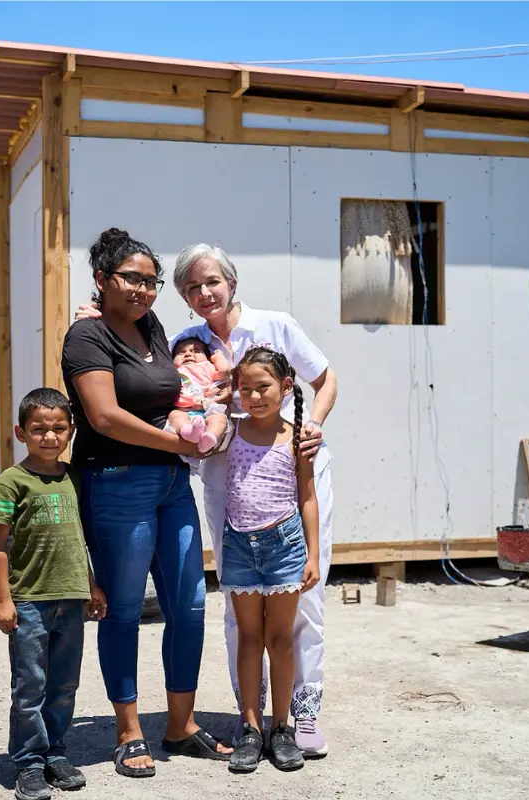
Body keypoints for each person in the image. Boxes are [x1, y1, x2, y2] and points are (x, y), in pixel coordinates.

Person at [78, 242, 338, 756]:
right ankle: (253, 717)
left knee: (302, 600)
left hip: (293, 472)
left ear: (232, 282)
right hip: (229, 483)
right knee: (236, 605)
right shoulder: (182, 342)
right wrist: (95, 315)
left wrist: (313, 424)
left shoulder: (275, 325)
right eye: (191, 287)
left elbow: (326, 379)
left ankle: (301, 714)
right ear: (181, 296)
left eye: (212, 282)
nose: (204, 293)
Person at [61, 227, 233, 779]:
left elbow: (176, 381)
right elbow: (104, 416)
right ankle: (129, 730)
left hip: (169, 484)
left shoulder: (151, 326)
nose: (142, 290)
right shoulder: (85, 339)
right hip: (115, 482)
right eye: (131, 278)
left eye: (151, 281)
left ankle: (179, 726)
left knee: (190, 605)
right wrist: (178, 442)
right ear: (102, 280)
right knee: (127, 608)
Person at [0, 388, 107, 800]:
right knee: (30, 685)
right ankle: (28, 763)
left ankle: (55, 753)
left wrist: (90, 585)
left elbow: (78, 539)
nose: (50, 437)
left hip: (71, 601)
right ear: (22, 433)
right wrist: (4, 599)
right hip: (29, 602)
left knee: (64, 684)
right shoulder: (11, 482)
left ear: (71, 430)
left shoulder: (73, 477)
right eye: (39, 429)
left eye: (59, 428)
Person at [220, 347, 321, 773]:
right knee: (247, 637)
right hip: (238, 546)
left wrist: (313, 554)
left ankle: (281, 729)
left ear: (284, 388)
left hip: (285, 547)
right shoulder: (229, 430)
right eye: (245, 389)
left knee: (279, 639)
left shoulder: (298, 437)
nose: (254, 396)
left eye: (263, 387)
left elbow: (308, 497)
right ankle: (250, 728)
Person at [167, 334, 231, 454]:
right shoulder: (173, 371)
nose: (188, 354)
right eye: (180, 352)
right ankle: (189, 431)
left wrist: (218, 357)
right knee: (174, 416)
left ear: (207, 357)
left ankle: (210, 437)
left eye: (196, 350)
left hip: (208, 409)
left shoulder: (207, 367)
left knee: (220, 419)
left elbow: (224, 372)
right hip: (183, 411)